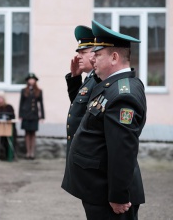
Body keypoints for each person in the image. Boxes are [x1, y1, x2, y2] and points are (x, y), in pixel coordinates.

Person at [62, 20, 147, 220]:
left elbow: (122, 149)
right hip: (98, 188)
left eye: (98, 54)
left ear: (114, 57)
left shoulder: (122, 94)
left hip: (109, 193)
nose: (94, 59)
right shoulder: (111, 86)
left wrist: (118, 195)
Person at [64, 25, 100, 158]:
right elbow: (77, 107)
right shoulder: (89, 78)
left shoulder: (99, 79)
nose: (78, 56)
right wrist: (74, 78)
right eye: (78, 52)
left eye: (83, 52)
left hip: (86, 152)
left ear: (96, 53)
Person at [19, 73, 45, 160]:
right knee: (27, 133)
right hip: (26, 115)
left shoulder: (39, 91)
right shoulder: (23, 90)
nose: (31, 81)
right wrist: (20, 115)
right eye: (30, 79)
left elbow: (41, 104)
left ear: (35, 81)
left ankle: (32, 152)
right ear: (27, 81)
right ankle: (27, 152)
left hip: (34, 115)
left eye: (33, 79)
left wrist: (42, 116)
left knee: (33, 133)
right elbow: (21, 103)